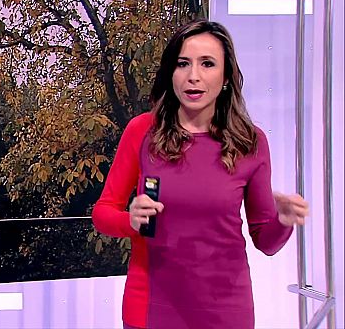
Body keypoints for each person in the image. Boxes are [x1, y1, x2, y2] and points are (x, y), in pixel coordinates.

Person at [91, 20, 309, 329]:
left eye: (207, 64)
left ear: (225, 77)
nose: (193, 76)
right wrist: (131, 221)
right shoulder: (142, 131)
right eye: (183, 64)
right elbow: (102, 214)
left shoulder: (251, 142)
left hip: (225, 312)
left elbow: (266, 243)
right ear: (172, 73)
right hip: (151, 308)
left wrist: (284, 220)